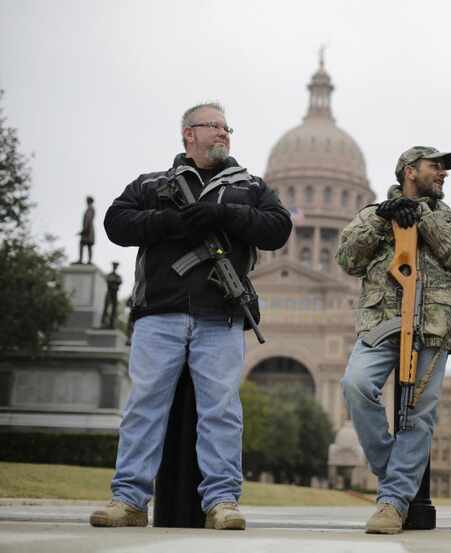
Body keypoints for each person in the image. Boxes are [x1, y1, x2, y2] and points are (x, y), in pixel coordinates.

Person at [89, 102, 292, 530]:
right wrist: (170, 222)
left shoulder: (249, 186)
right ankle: (128, 499)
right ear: (189, 135)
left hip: (220, 315)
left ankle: (221, 502)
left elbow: (278, 228)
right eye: (213, 126)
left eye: (226, 127)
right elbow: (115, 223)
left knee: (221, 409)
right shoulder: (152, 183)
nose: (223, 133)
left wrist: (224, 213)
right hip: (159, 312)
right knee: (144, 407)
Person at [337, 146, 451, 534]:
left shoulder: (448, 217)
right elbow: (347, 259)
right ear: (410, 172)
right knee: (355, 386)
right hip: (382, 323)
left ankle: (393, 502)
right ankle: (393, 470)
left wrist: (422, 215)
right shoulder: (373, 215)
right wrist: (384, 219)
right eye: (436, 166)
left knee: (419, 415)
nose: (443, 173)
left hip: (430, 327)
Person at [100, 261, 122, 329]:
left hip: (115, 293)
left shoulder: (118, 276)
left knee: (114, 308)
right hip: (109, 293)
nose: (115, 267)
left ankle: (112, 323)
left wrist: (114, 282)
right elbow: (109, 280)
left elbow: (119, 282)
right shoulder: (109, 275)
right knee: (106, 307)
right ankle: (103, 322)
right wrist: (114, 282)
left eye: (116, 266)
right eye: (114, 266)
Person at [77, 196, 95, 264]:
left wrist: (85, 230)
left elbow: (88, 219)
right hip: (89, 228)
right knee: (88, 245)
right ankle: (88, 260)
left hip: (88, 228)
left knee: (84, 244)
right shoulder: (90, 208)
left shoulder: (90, 208)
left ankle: (81, 260)